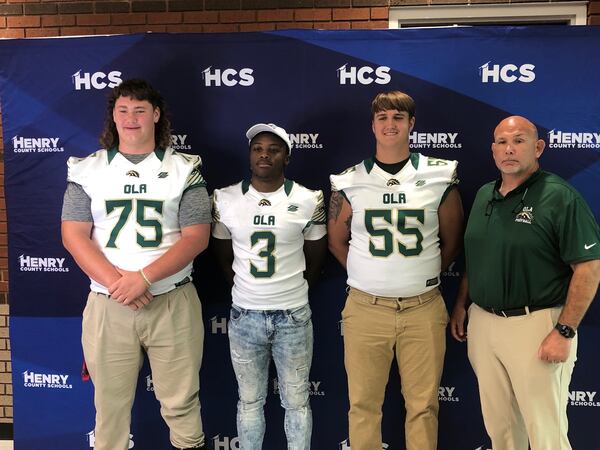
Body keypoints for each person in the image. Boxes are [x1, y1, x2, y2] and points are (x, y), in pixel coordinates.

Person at [61, 79, 210, 450]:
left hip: (171, 300)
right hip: (109, 302)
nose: (131, 118)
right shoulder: (88, 169)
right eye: (123, 109)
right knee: (108, 407)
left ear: (156, 115)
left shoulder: (183, 169)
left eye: (140, 110)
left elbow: (197, 236)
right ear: (113, 115)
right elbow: (73, 234)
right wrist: (119, 282)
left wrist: (143, 278)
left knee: (181, 402)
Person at [450, 116, 600, 450]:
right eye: (502, 142)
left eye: (519, 140)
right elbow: (477, 257)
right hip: (484, 324)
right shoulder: (485, 195)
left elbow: (589, 268)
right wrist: (462, 303)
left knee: (546, 433)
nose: (509, 149)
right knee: (501, 428)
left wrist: (564, 331)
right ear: (492, 150)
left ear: (538, 147)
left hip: (537, 325)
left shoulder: (559, 196)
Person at [327, 91, 464, 450]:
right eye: (383, 117)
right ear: (373, 125)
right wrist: (367, 272)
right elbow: (336, 241)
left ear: (411, 124)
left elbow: (452, 240)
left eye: (398, 118)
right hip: (365, 308)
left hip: (423, 307)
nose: (391, 124)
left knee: (422, 406)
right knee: (363, 406)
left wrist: (421, 271)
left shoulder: (438, 173)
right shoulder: (349, 180)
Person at [211, 123, 327, 450]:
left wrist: (290, 292)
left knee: (297, 401)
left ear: (286, 157)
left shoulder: (308, 199)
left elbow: (316, 259)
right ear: (249, 155)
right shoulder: (225, 197)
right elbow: (222, 256)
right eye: (258, 148)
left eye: (273, 149)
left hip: (292, 315)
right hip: (245, 315)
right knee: (249, 402)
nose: (265, 154)